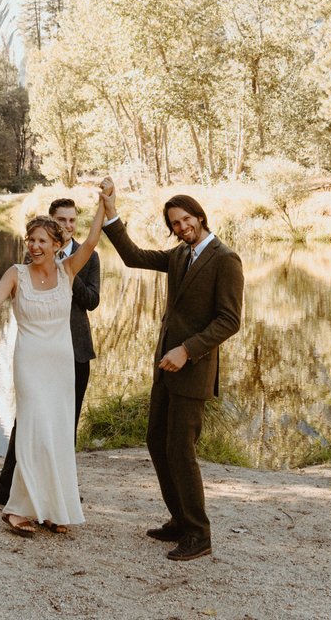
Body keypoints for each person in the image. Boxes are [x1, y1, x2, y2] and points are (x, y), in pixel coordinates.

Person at [98, 178, 243, 561]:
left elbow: (229, 320)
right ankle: (179, 520)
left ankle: (199, 533)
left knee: (181, 451)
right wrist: (112, 214)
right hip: (165, 368)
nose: (181, 228)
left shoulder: (225, 259)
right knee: (157, 444)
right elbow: (132, 256)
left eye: (185, 220)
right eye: (174, 224)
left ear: (200, 216)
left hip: (192, 370)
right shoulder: (180, 254)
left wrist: (187, 350)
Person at [0, 195, 106, 537]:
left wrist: (105, 205)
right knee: (33, 432)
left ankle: (50, 509)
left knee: (58, 435)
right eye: (31, 240)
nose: (35, 246)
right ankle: (19, 510)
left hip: (62, 364)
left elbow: (92, 240)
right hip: (30, 363)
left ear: (56, 245)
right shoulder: (17, 273)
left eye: (41, 241)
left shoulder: (69, 271)